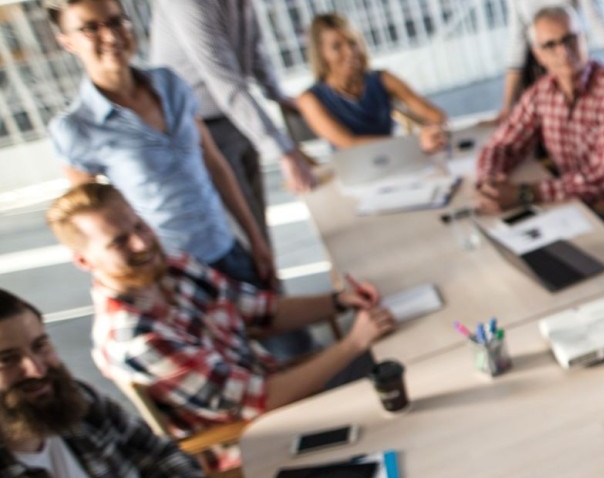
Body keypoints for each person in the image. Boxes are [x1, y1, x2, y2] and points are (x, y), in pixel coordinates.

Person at [45, 183, 398, 440]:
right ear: (83, 260)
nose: (141, 243)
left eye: (138, 226)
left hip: (279, 384)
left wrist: (338, 302)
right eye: (119, 241)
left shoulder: (173, 267)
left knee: (403, 349)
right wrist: (352, 343)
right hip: (260, 434)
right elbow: (262, 402)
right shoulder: (137, 339)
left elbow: (260, 312)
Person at [44, 0, 275, 293]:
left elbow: (213, 163)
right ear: (67, 42)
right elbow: (92, 228)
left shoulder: (169, 84)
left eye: (115, 21)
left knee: (288, 338)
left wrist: (255, 239)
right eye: (90, 28)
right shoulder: (76, 129)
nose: (110, 36)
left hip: (226, 246)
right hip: (168, 272)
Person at [0, 288, 217, 478]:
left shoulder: (79, 401)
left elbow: (158, 456)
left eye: (40, 346)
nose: (36, 369)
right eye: (7, 360)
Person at [150, 0, 319, 241]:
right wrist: (283, 150)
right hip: (200, 127)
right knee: (242, 233)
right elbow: (223, 78)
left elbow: (252, 45)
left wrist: (276, 93)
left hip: (236, 117)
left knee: (258, 226)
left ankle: (270, 283)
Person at [475, 5, 604, 213]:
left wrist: (523, 194)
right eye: (550, 45)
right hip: (575, 204)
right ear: (538, 55)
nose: (563, 51)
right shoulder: (541, 92)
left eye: (570, 39)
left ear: (584, 39)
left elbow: (602, 178)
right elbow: (501, 144)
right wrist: (488, 181)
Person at [297, 13, 449, 152]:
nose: (350, 52)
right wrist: (415, 143)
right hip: (356, 175)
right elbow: (349, 143)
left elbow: (435, 115)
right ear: (322, 54)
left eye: (352, 43)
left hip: (398, 160)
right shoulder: (310, 99)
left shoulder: (383, 79)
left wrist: (432, 131)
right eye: (337, 47)